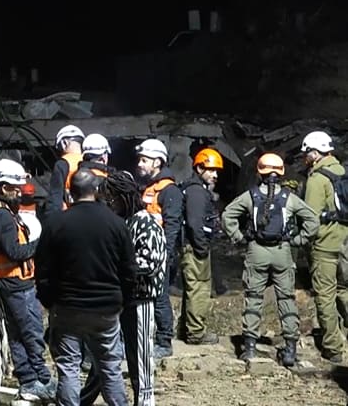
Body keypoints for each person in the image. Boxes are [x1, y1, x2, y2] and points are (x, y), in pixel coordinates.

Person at [37, 169, 134, 406]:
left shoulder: (56, 223)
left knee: (68, 367)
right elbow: (129, 270)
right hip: (106, 309)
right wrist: (122, 301)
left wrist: (49, 301)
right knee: (110, 366)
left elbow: (42, 269)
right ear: (98, 191)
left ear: (70, 192)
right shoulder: (116, 223)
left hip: (67, 307)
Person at [221, 152, 319, 367]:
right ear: (281, 173)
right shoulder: (289, 198)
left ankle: (249, 347)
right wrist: (298, 239)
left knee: (254, 297)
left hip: (256, 250)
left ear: (260, 171)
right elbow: (312, 220)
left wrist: (238, 237)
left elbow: (227, 215)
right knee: (286, 299)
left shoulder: (250, 196)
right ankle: (291, 349)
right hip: (282, 251)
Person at [0, 158, 54, 402]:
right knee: (31, 331)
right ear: (4, 187)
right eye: (16, 189)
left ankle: (29, 381)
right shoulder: (2, 216)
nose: (20, 194)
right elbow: (14, 252)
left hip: (4, 281)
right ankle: (41, 380)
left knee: (17, 334)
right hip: (16, 283)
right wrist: (40, 244)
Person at [101, 170, 166, 406]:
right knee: (111, 354)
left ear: (124, 196)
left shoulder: (146, 222)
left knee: (140, 357)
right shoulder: (126, 222)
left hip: (141, 299)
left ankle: (145, 401)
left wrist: (114, 265)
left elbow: (151, 263)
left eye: (112, 199)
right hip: (122, 298)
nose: (109, 204)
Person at [300, 130, 348, 363]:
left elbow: (310, 218)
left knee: (325, 295)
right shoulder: (342, 171)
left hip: (325, 246)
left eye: (307, 153)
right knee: (344, 290)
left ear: (316, 153)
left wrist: (302, 242)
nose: (305, 157)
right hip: (345, 242)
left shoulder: (317, 179)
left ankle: (333, 348)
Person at [134, 138, 182, 359]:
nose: (140, 164)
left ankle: (164, 341)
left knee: (160, 296)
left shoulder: (169, 191)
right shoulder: (148, 188)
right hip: (145, 253)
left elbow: (172, 226)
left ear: (158, 162)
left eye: (145, 160)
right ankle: (146, 337)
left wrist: (167, 254)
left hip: (160, 253)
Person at [180, 148, 223, 345]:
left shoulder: (194, 189)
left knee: (193, 289)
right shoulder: (197, 192)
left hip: (192, 246)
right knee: (199, 289)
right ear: (199, 168)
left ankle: (188, 329)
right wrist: (202, 248)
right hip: (195, 249)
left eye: (216, 171)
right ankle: (196, 333)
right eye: (211, 170)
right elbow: (194, 223)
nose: (215, 175)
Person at [46, 125, 85, 217]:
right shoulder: (90, 162)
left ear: (64, 143)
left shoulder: (62, 163)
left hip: (71, 217)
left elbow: (55, 197)